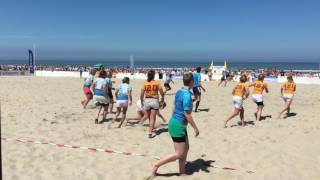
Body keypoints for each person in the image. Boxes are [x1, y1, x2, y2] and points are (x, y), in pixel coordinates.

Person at [151, 72, 199, 176]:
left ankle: (182, 172)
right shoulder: (186, 95)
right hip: (177, 125)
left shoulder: (180, 91)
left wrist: (174, 118)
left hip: (176, 123)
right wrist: (195, 128)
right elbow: (187, 115)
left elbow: (174, 106)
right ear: (191, 82)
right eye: (194, 81)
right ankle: (156, 164)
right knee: (179, 153)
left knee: (185, 149)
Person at [140, 70, 165, 138]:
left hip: (147, 100)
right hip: (154, 100)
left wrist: (142, 102)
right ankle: (150, 132)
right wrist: (163, 98)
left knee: (149, 117)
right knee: (153, 118)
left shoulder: (145, 83)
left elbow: (141, 94)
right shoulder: (157, 83)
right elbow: (161, 92)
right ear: (154, 75)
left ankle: (152, 128)